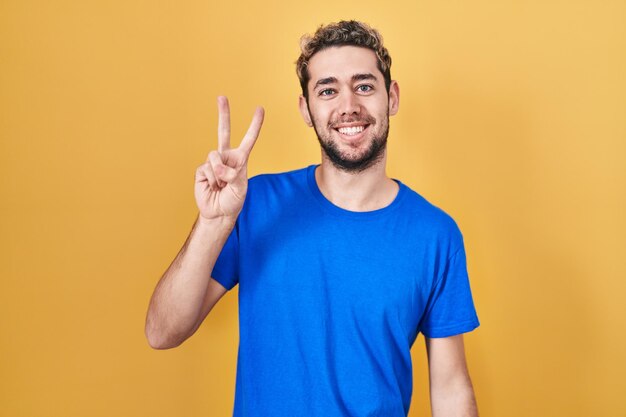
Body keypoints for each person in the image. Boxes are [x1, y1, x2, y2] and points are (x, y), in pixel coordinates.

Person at [145, 20, 480, 417]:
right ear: (306, 108)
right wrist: (213, 222)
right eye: (327, 90)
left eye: (364, 85)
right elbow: (162, 332)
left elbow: (451, 388)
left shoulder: (435, 235)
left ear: (391, 97)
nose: (348, 106)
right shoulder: (253, 205)